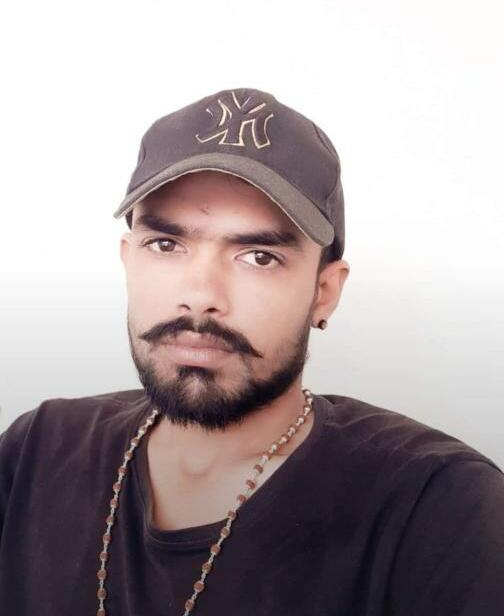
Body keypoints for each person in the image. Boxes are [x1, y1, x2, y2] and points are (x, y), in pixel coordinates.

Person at [1, 88, 503, 616]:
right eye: (166, 245)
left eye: (258, 256)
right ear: (129, 260)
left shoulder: (439, 507)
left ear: (324, 291)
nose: (201, 295)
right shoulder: (38, 449)